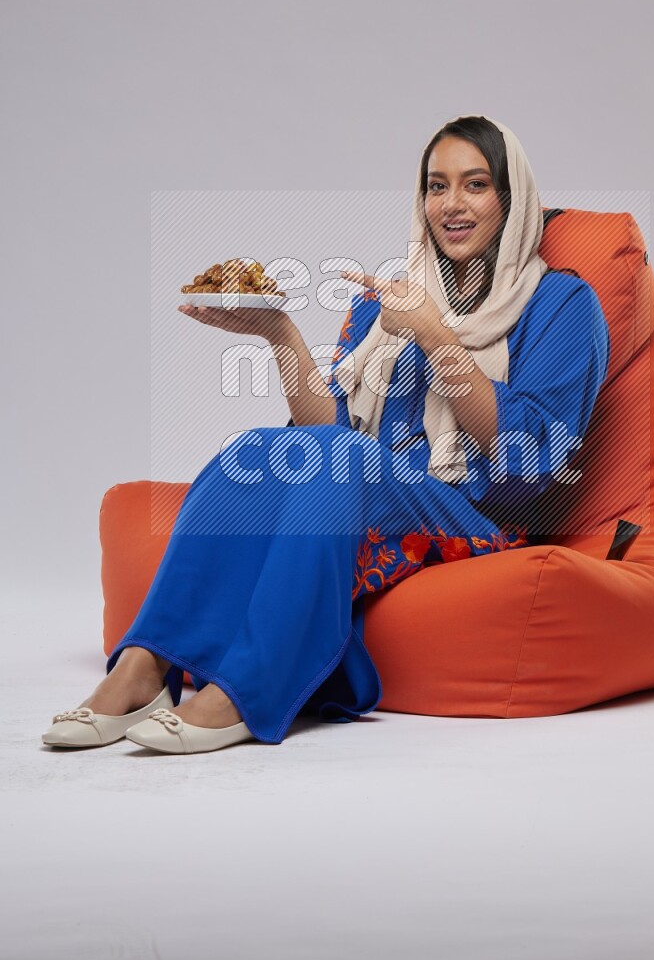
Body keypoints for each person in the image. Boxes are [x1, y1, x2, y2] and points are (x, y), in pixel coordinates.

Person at [41, 115, 610, 754]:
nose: (451, 204)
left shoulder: (562, 303)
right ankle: (144, 667)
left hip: (479, 518)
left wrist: (435, 335)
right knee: (254, 451)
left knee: (340, 460)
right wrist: (280, 332)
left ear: (511, 199)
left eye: (475, 185)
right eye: (436, 185)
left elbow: (532, 456)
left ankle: (247, 688)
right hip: (370, 490)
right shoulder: (385, 306)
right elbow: (330, 429)